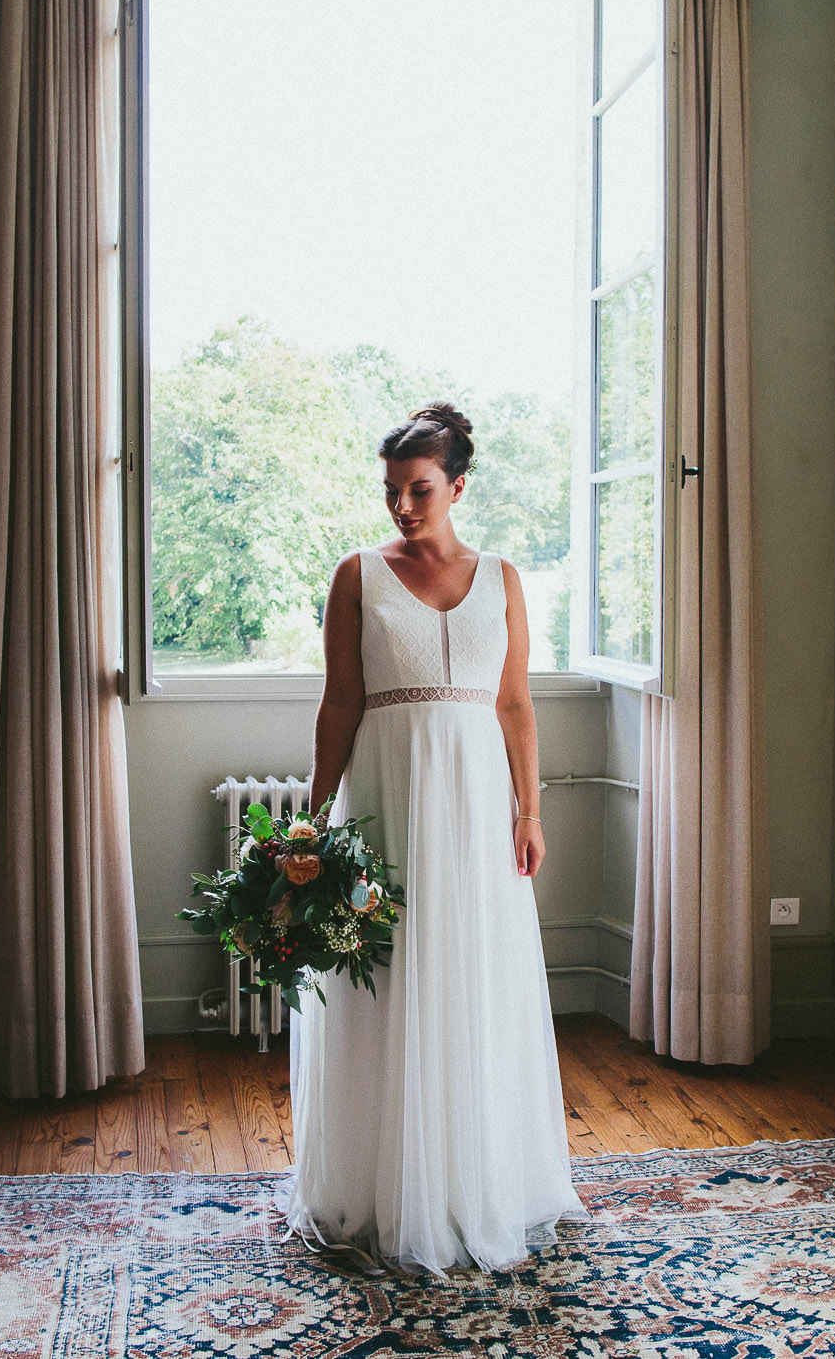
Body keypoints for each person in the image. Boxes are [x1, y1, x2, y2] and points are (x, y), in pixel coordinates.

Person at [278, 401, 590, 1278]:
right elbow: (340, 704)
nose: (402, 507)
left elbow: (516, 704)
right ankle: (383, 1186)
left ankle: (478, 1177)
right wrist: (312, 814)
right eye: (390, 491)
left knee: (471, 977)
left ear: (456, 486)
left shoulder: (503, 578)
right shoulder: (357, 576)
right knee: (384, 980)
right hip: (386, 802)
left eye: (418, 490)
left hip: (475, 808)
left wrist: (528, 811)